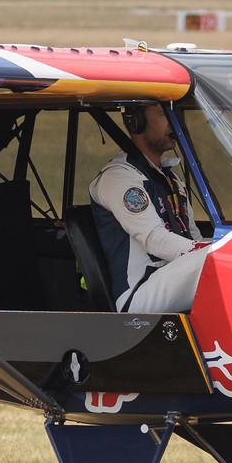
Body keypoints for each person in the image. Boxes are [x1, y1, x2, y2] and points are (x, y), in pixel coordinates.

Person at [89, 104, 213, 313]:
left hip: (169, 278)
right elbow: (154, 239)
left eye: (176, 114)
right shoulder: (120, 176)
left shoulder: (171, 179)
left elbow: (194, 237)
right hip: (138, 294)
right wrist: (214, 253)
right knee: (220, 259)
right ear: (135, 121)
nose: (175, 122)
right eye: (165, 114)